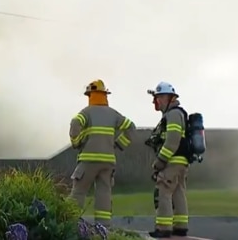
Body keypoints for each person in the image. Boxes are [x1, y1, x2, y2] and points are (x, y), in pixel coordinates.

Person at [68, 79, 138, 228]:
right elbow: (131, 128)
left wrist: (77, 141)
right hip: (108, 162)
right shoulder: (113, 114)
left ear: (91, 95)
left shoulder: (86, 112)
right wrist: (119, 144)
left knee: (79, 191)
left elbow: (75, 124)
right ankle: (104, 227)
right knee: (104, 193)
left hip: (88, 160)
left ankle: (70, 221)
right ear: (105, 95)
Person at [147, 82, 190, 238]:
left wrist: (160, 161)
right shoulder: (177, 114)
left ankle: (163, 228)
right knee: (178, 192)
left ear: (169, 98)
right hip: (181, 161)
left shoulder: (172, 115)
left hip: (171, 161)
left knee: (164, 191)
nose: (156, 102)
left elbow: (172, 140)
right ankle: (181, 227)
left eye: (159, 98)